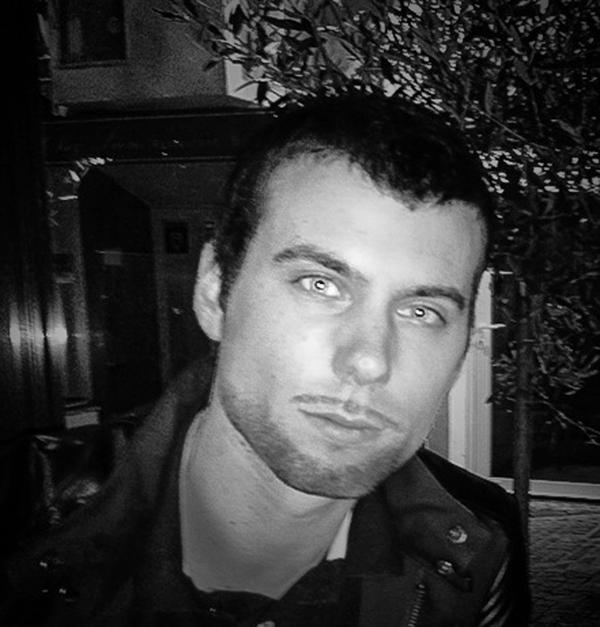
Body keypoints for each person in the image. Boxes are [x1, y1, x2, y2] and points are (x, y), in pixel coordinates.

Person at [1, 93, 529, 626]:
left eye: (422, 312)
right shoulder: (23, 508)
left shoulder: (475, 554)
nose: (369, 361)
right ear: (215, 292)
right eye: (320, 284)